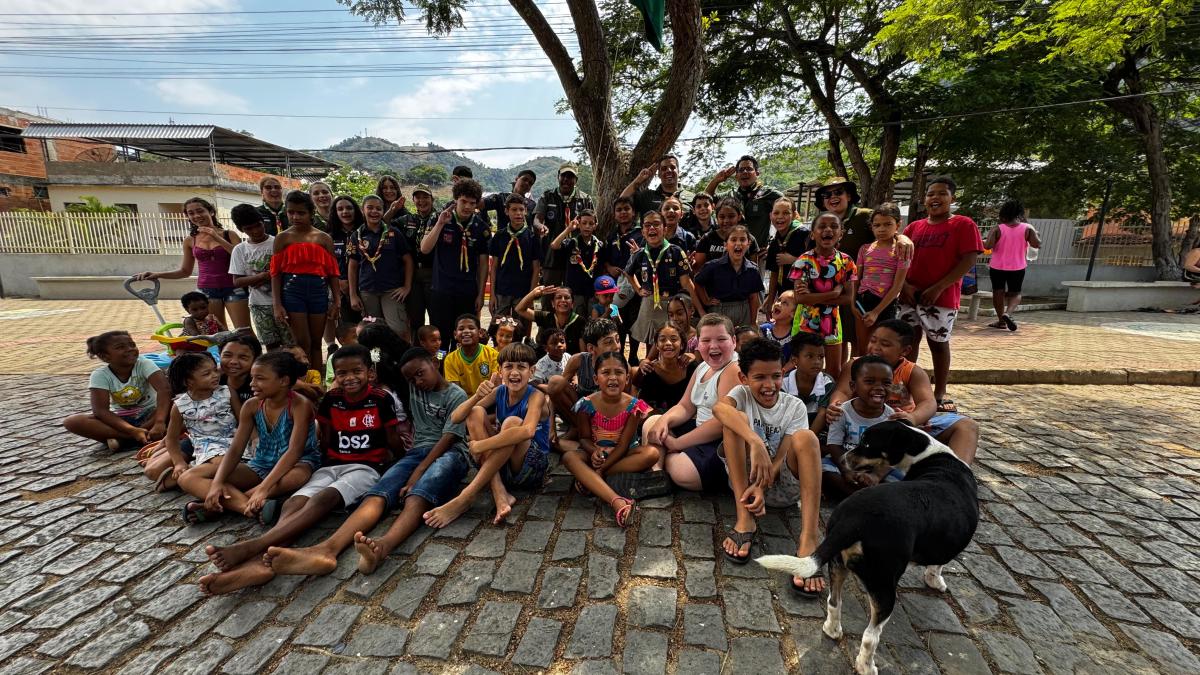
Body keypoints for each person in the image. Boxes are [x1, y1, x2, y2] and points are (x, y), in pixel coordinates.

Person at [196, 345, 405, 595]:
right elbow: (326, 437)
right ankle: (259, 565)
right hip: (331, 464)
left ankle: (255, 548)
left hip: (366, 466)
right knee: (293, 504)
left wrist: (398, 462)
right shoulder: (332, 399)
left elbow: (392, 437)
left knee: (323, 498)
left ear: (369, 372)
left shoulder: (380, 399)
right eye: (342, 373)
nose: (349, 377)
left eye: (356, 371)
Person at [261, 348, 469, 577]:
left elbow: (449, 439)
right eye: (411, 378)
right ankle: (328, 549)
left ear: (435, 363)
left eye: (421, 374)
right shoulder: (411, 386)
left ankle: (383, 546)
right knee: (378, 493)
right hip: (416, 452)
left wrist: (417, 472)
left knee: (417, 494)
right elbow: (381, 360)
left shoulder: (456, 395)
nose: (418, 382)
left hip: (452, 453)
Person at [711, 338, 823, 596]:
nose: (769, 385)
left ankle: (808, 540)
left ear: (783, 373)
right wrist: (755, 441)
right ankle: (744, 520)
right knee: (734, 419)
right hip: (745, 487)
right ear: (744, 378)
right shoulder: (741, 395)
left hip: (781, 484)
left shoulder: (794, 406)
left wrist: (762, 485)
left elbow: (783, 456)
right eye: (759, 377)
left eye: (776, 376)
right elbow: (719, 408)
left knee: (807, 438)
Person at [179, 351, 321, 524]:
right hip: (261, 464)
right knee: (187, 477)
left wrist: (263, 488)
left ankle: (216, 508)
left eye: (260, 378)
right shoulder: (251, 405)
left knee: (297, 476)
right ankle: (245, 507)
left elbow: (294, 452)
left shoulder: (300, 405)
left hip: (296, 464)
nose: (252, 383)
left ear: (283, 381)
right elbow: (236, 449)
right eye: (252, 378)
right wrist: (217, 483)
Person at [428, 342, 550, 527]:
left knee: (512, 423)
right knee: (475, 412)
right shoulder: (500, 391)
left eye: (521, 367)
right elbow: (456, 417)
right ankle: (499, 492)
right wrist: (477, 396)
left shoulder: (536, 396)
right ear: (500, 371)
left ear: (531, 371)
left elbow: (528, 431)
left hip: (530, 468)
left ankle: (467, 495)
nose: (514, 372)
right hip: (501, 465)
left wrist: (480, 445)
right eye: (508, 367)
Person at [826, 319, 979, 464]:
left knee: (967, 425)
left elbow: (928, 402)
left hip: (906, 426)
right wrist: (835, 405)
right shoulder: (855, 365)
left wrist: (912, 418)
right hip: (863, 425)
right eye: (873, 340)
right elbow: (843, 391)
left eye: (885, 344)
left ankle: (958, 472)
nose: (875, 347)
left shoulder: (913, 371)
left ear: (905, 350)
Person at [897, 176, 983, 412]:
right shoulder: (914, 228)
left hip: (941, 298)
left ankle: (940, 392)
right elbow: (900, 260)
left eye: (942, 193)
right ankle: (905, 389)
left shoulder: (963, 224)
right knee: (908, 342)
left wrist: (939, 287)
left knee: (938, 343)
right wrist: (905, 286)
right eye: (930, 194)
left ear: (952, 198)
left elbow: (969, 260)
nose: (935, 198)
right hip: (910, 296)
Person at [812, 177, 913, 357]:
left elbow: (886, 226)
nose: (833, 197)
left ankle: (861, 371)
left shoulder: (864, 215)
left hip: (866, 293)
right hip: (834, 289)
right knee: (837, 337)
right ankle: (842, 372)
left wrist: (902, 238)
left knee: (862, 343)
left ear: (849, 195)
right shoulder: (822, 220)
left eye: (838, 192)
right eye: (827, 195)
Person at [642, 314, 741, 492]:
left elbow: (721, 423)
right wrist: (664, 420)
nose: (713, 346)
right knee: (653, 423)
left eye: (721, 339)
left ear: (733, 341)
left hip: (720, 441)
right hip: (697, 429)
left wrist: (677, 444)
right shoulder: (703, 366)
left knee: (684, 473)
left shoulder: (733, 368)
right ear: (697, 343)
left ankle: (665, 459)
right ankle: (656, 475)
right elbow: (685, 406)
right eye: (706, 340)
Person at [560, 351, 658, 527]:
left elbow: (624, 444)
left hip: (623, 454)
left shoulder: (634, 406)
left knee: (651, 453)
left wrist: (601, 469)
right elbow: (584, 438)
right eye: (605, 372)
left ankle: (592, 478)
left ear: (627, 378)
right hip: (596, 455)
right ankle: (617, 501)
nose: (613, 378)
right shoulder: (586, 404)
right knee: (569, 457)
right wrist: (594, 451)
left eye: (619, 372)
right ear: (596, 379)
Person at [135, 197, 249, 330]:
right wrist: (157, 274)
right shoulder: (190, 240)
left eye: (200, 211)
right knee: (216, 332)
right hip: (206, 291)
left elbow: (241, 259)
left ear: (211, 212)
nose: (196, 216)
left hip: (233, 287)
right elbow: (185, 271)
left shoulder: (229, 235)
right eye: (191, 213)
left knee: (244, 331)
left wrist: (216, 237)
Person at [270, 191, 341, 375]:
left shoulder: (324, 238)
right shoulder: (282, 238)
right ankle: (304, 381)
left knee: (317, 342)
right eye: (291, 212)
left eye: (301, 213)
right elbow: (276, 274)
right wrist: (277, 304)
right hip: (292, 292)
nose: (295, 217)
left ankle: (316, 381)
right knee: (303, 342)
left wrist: (337, 301)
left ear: (311, 213)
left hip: (319, 292)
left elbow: (333, 273)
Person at [64, 330, 169, 451]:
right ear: (105, 356)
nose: (130, 349)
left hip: (152, 415)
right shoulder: (100, 375)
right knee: (72, 421)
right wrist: (132, 430)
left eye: (132, 345)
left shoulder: (144, 363)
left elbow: (164, 390)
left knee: (175, 403)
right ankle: (135, 436)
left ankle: (125, 440)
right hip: (121, 421)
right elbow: (100, 410)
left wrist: (159, 422)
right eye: (120, 347)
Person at [151, 352, 240, 492]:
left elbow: (243, 420)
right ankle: (189, 475)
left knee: (241, 466)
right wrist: (179, 463)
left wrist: (253, 439)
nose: (215, 375)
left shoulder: (227, 392)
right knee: (224, 464)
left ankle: (191, 472)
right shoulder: (180, 405)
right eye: (206, 374)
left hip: (235, 439)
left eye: (215, 370)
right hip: (207, 445)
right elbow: (172, 438)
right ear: (188, 381)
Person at [421, 179, 491, 351]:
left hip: (467, 292)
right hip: (442, 290)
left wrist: (480, 294)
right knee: (441, 339)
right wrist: (440, 224)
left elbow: (483, 265)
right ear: (455, 200)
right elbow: (425, 248)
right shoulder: (440, 219)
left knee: (463, 338)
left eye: (472, 203)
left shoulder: (481, 228)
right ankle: (441, 365)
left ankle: (458, 366)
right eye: (463, 201)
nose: (467, 207)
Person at [790, 212, 856, 379]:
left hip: (832, 323)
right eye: (822, 226)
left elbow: (848, 298)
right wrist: (833, 293)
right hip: (806, 323)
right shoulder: (803, 261)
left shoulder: (846, 262)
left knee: (834, 370)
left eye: (834, 226)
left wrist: (813, 295)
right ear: (813, 234)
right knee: (804, 369)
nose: (828, 230)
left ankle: (828, 396)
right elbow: (800, 298)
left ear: (841, 233)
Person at [823, 355, 896, 497]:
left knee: (900, 476)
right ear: (853, 386)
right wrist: (846, 470)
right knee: (824, 468)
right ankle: (859, 495)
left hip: (877, 466)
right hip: (846, 461)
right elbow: (834, 445)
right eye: (869, 382)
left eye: (886, 383)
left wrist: (876, 475)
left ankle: (861, 494)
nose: (879, 388)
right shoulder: (842, 411)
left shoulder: (891, 416)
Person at [625, 211, 699, 347]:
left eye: (656, 224)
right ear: (642, 232)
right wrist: (638, 289)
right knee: (651, 342)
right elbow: (628, 273)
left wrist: (699, 308)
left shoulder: (676, 251)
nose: (652, 228)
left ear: (664, 229)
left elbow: (686, 283)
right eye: (647, 225)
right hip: (649, 303)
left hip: (672, 304)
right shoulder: (640, 254)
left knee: (673, 341)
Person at [349, 195, 413, 340]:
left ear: (383, 211)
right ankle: (378, 355)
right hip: (367, 290)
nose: (374, 211)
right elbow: (352, 266)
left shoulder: (393, 233)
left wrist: (407, 286)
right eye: (370, 208)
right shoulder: (356, 236)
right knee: (372, 331)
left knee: (398, 330)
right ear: (363, 210)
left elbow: (408, 260)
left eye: (378, 208)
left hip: (392, 290)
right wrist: (353, 294)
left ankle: (399, 355)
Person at [229, 203, 293, 349]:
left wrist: (269, 275)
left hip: (285, 302)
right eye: (249, 228)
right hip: (259, 304)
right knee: (271, 345)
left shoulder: (278, 242)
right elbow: (237, 281)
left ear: (263, 222)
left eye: (258, 225)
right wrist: (264, 276)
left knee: (291, 344)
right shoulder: (240, 250)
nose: (256, 231)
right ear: (241, 229)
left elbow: (289, 271)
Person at [852, 202, 910, 349]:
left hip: (885, 303)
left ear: (898, 225)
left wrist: (876, 312)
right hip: (862, 301)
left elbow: (897, 286)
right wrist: (853, 303)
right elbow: (856, 279)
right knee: (863, 345)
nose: (881, 229)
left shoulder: (901, 250)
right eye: (877, 225)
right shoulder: (865, 249)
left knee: (881, 347)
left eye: (887, 224)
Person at [548, 318, 621, 432]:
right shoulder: (578, 360)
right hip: (578, 414)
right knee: (555, 381)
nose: (616, 346)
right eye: (608, 342)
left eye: (618, 340)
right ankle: (580, 429)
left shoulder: (622, 367)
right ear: (591, 348)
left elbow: (625, 403)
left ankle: (580, 432)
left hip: (605, 418)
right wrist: (551, 427)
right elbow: (554, 392)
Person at [488, 193, 542, 334]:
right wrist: (492, 295)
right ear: (506, 211)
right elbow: (494, 267)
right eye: (514, 209)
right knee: (499, 328)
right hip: (502, 291)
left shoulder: (532, 237)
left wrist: (531, 295)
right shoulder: (499, 236)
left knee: (520, 329)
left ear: (526, 211)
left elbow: (536, 268)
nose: (518, 213)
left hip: (523, 292)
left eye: (521, 209)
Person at [704, 155, 784, 248]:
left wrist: (775, 246)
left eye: (749, 169)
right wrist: (716, 181)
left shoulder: (768, 194)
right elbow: (706, 198)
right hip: (733, 251)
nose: (745, 172)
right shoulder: (731, 195)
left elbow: (788, 209)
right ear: (736, 176)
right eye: (741, 170)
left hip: (758, 252)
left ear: (757, 173)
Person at [985, 199, 1041, 331]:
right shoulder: (1027, 228)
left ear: (1003, 214)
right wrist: (1033, 232)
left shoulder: (997, 228)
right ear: (1020, 214)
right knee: (1015, 293)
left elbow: (988, 246)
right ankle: (1008, 313)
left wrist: (983, 241)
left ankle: (1001, 321)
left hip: (997, 267)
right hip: (1018, 267)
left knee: (998, 292)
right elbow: (1036, 244)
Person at [535, 164, 594, 287]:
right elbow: (537, 219)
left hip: (577, 255)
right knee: (549, 292)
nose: (566, 179)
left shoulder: (585, 199)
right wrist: (541, 226)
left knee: (574, 293)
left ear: (576, 180)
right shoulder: (547, 196)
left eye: (570, 176)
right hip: (552, 255)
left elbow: (593, 223)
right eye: (563, 176)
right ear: (558, 176)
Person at [693, 225, 763, 327]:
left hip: (744, 312)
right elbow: (697, 282)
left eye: (742, 240)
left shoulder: (753, 269)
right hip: (719, 311)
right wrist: (706, 300)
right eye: (733, 240)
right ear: (725, 245)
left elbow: (753, 298)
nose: (738, 243)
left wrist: (753, 322)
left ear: (748, 244)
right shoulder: (713, 266)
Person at [604, 196, 644, 364]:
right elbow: (605, 258)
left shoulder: (641, 233)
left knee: (634, 321)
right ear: (614, 214)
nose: (623, 213)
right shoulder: (612, 235)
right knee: (616, 319)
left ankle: (633, 355)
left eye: (626, 209)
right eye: (619, 210)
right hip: (615, 286)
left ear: (633, 212)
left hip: (634, 284)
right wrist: (609, 268)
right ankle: (618, 353)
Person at [327, 195, 366, 349]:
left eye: (349, 208)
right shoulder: (329, 237)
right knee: (350, 330)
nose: (345, 212)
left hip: (365, 286)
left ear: (356, 210)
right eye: (340, 209)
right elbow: (326, 265)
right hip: (342, 290)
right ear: (335, 213)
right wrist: (338, 282)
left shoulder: (365, 232)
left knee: (368, 327)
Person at [631, 323, 698, 414]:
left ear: (682, 344)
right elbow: (640, 402)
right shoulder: (649, 369)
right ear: (657, 345)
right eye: (662, 340)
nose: (668, 343)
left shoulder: (691, 368)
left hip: (685, 418)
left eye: (673, 339)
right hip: (653, 419)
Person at [551, 208, 607, 314]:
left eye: (591, 223)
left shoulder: (600, 245)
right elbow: (554, 245)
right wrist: (568, 229)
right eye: (584, 223)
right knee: (577, 317)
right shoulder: (571, 243)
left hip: (593, 291)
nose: (587, 226)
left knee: (593, 318)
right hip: (575, 291)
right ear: (579, 224)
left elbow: (603, 267)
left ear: (595, 225)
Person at [401, 185, 438, 334]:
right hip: (413, 275)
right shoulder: (406, 220)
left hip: (434, 275)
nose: (422, 201)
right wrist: (392, 210)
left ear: (432, 199)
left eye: (425, 197)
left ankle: (439, 349)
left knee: (437, 318)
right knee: (415, 319)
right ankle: (416, 348)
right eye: (418, 197)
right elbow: (383, 225)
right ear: (413, 200)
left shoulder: (441, 218)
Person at [781, 331, 833, 434]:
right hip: (789, 434)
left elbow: (822, 414)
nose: (817, 362)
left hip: (816, 434)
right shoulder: (783, 384)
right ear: (795, 360)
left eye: (821, 357)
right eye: (810, 356)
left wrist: (807, 439)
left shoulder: (827, 382)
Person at [764, 197, 810, 312]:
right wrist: (770, 301)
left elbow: (819, 262)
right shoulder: (775, 242)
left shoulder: (805, 235)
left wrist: (794, 260)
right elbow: (774, 274)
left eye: (785, 213)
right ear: (770, 216)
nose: (780, 217)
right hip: (784, 295)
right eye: (776, 213)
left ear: (794, 215)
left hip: (805, 295)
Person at [692, 198, 761, 269]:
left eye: (731, 216)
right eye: (722, 217)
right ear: (717, 218)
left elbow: (753, 270)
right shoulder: (707, 239)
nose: (726, 220)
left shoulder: (749, 239)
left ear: (739, 217)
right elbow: (698, 270)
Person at [517, 285, 586, 354]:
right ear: (552, 303)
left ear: (572, 304)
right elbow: (520, 309)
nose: (563, 300)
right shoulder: (546, 317)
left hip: (571, 359)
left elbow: (583, 352)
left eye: (567, 298)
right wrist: (534, 293)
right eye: (559, 297)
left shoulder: (580, 321)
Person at [620, 155, 695, 216]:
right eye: (664, 169)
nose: (668, 170)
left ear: (678, 171)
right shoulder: (646, 196)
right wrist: (639, 180)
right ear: (658, 174)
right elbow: (622, 201)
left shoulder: (692, 198)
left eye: (672, 167)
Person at [443, 314, 498, 396]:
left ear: (480, 333)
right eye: (461, 329)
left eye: (471, 328)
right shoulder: (450, 360)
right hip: (464, 402)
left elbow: (496, 389)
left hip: (488, 400)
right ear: (455, 334)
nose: (466, 331)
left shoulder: (493, 355)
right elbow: (455, 394)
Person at [759, 290, 798, 358]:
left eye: (785, 303)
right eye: (778, 300)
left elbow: (793, 360)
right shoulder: (763, 329)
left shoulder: (795, 334)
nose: (778, 304)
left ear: (793, 313)